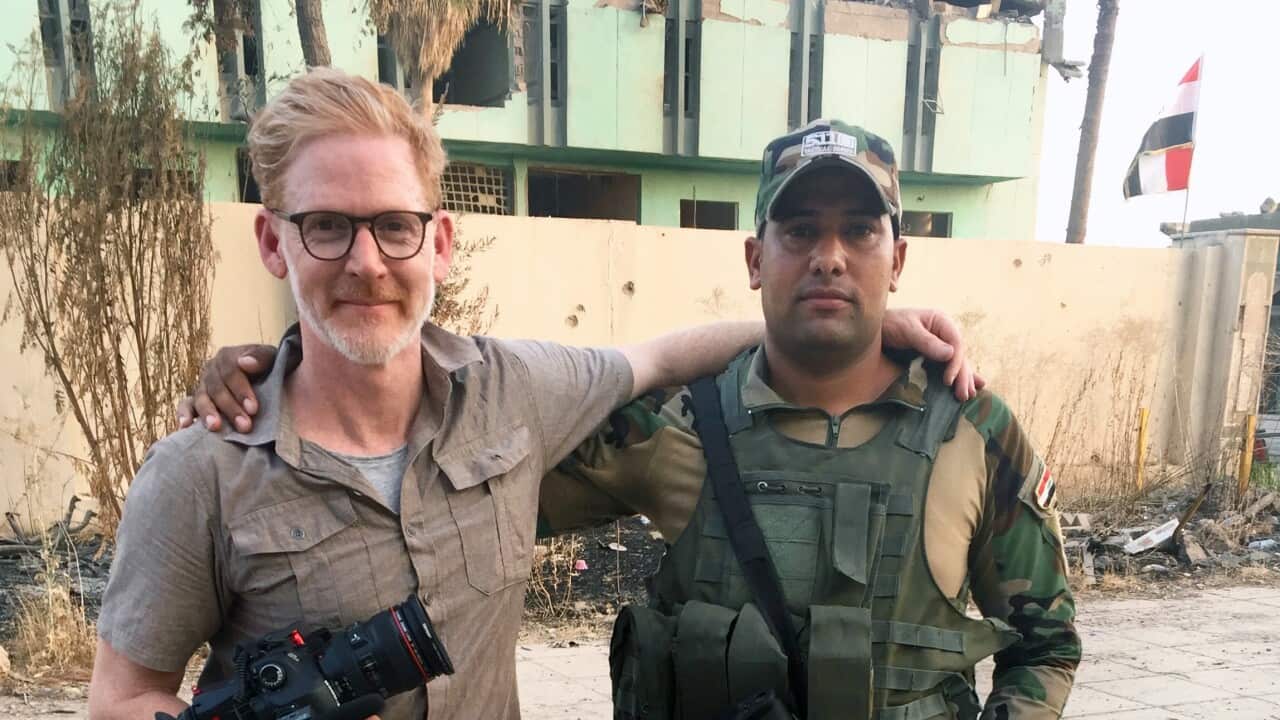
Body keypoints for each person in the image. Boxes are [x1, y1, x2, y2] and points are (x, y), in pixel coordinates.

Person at [89, 67, 973, 720]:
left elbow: (661, 356)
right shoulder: (200, 472)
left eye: (393, 226)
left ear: (438, 243)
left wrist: (853, 327)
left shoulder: (513, 394)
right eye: (326, 226)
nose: (366, 263)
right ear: (275, 243)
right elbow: (120, 698)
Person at [538, 121, 1080, 719]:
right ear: (755, 259)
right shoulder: (683, 422)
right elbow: (495, 491)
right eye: (799, 231)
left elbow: (1045, 646)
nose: (829, 258)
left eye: (859, 231)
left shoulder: (974, 431)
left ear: (896, 260)